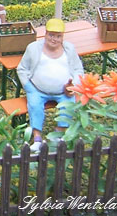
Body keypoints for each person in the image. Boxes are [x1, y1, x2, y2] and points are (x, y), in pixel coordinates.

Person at [17, 18, 84, 152]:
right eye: (51, 35)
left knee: (68, 107)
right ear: (45, 34)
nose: (54, 39)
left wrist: (73, 86)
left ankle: (59, 133)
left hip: (63, 92)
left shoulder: (69, 49)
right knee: (35, 106)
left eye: (58, 36)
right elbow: (22, 69)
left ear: (62, 37)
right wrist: (29, 87)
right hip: (38, 89)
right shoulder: (34, 48)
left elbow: (78, 70)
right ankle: (37, 138)